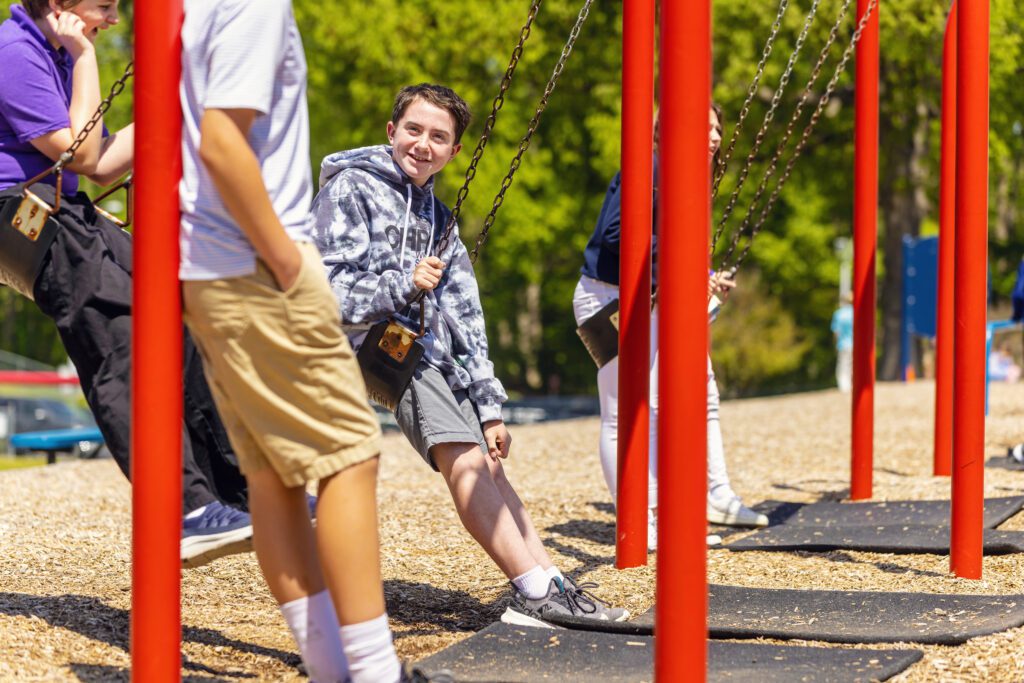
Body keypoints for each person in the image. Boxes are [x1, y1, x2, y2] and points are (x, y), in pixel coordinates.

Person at [312, 83, 627, 630]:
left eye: (439, 137)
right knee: (463, 458)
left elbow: (465, 317)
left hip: (418, 350)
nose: (422, 145)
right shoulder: (352, 190)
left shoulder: (439, 219)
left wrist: (489, 405)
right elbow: (323, 291)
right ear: (392, 132)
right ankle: (531, 590)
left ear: (455, 151)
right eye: (413, 130)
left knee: (488, 459)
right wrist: (400, 283)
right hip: (368, 340)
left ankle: (548, 578)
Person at [179, 1, 403, 680]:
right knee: (347, 456)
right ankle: (374, 670)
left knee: (272, 473)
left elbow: (181, 124)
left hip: (208, 268)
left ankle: (331, 664)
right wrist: (286, 259)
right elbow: (221, 140)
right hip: (255, 264)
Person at [0, 0, 254, 567]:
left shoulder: (53, 52)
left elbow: (107, 163)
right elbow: (84, 152)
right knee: (119, 338)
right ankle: (183, 510)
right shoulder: (16, 52)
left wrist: (182, 106)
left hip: (67, 209)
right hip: (23, 217)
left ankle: (236, 492)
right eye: (103, 8)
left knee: (183, 317)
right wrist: (85, 54)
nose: (113, 20)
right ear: (63, 5)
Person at [572, 104, 768, 551]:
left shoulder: (685, 180)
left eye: (718, 128)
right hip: (609, 299)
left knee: (703, 389)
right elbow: (618, 236)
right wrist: (682, 266)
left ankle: (711, 494)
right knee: (628, 412)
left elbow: (662, 251)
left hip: (649, 302)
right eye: (705, 126)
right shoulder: (648, 167)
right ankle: (643, 518)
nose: (716, 137)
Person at [831, 293, 854, 392]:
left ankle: (844, 385)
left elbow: (836, 332)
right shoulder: (855, 313)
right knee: (853, 364)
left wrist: (835, 343)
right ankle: (851, 383)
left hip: (843, 343)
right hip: (855, 343)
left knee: (843, 364)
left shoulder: (838, 314)